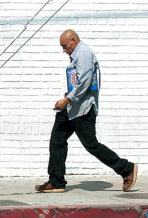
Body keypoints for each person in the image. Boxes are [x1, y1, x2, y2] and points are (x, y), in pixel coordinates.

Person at [35, 29, 137, 194]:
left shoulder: (83, 53)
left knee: (91, 145)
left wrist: (67, 100)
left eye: (65, 46)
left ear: (73, 40)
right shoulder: (76, 54)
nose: (63, 50)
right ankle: (56, 181)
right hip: (71, 108)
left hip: (82, 108)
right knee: (57, 140)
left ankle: (126, 169)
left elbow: (84, 81)